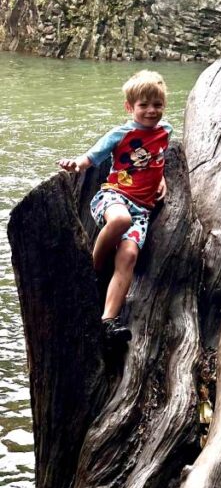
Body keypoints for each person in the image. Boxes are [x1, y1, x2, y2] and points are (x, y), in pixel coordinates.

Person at [59, 70, 172, 347]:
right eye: (143, 105)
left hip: (142, 211)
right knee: (120, 220)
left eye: (156, 105)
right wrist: (76, 164)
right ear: (129, 107)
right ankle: (93, 269)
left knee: (129, 254)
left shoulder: (166, 131)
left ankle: (108, 321)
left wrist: (163, 180)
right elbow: (92, 156)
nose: (151, 111)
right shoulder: (120, 133)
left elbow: (157, 159)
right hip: (113, 198)